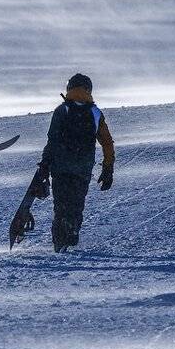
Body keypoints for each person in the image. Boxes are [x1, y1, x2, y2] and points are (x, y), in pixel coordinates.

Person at [36, 73, 116, 253]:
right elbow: (107, 142)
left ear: (69, 88)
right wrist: (108, 168)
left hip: (61, 168)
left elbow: (52, 140)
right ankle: (71, 237)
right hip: (82, 169)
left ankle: (59, 243)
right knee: (76, 204)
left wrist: (44, 165)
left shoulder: (62, 110)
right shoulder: (95, 113)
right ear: (89, 89)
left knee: (61, 206)